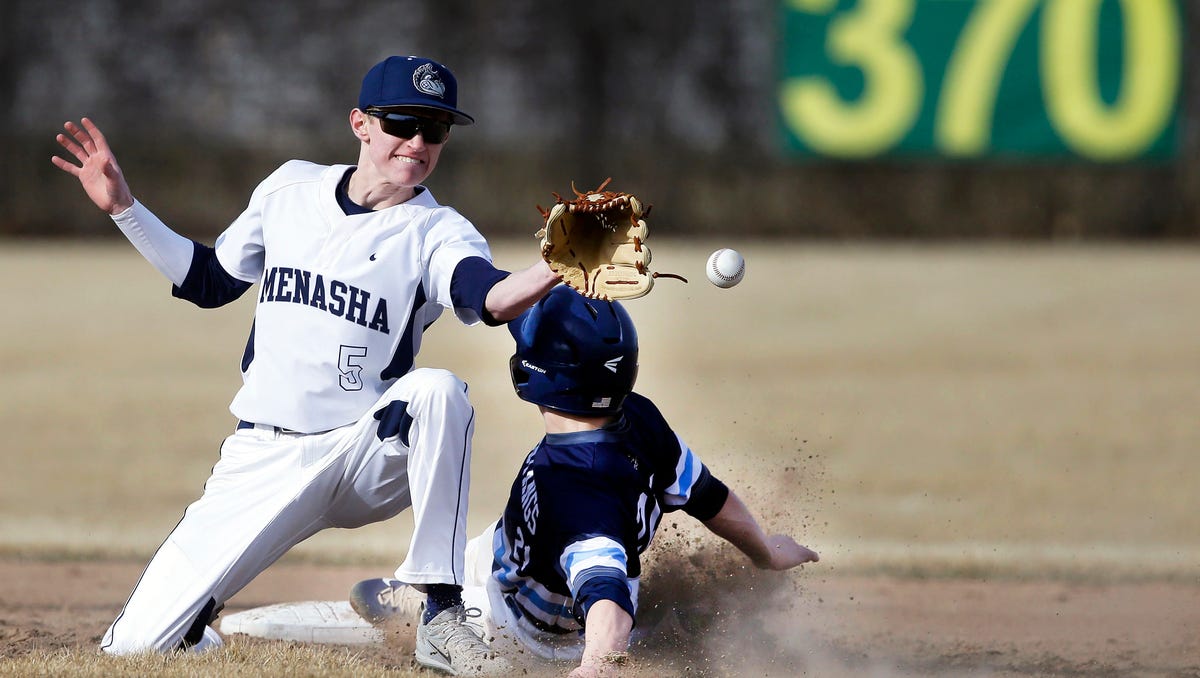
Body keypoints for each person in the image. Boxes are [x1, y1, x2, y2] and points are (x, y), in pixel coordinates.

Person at [51, 55, 559, 675]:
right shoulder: (289, 188)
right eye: (403, 121)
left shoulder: (438, 231)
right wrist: (125, 207)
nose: (418, 142)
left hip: (362, 452)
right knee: (135, 648)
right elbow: (210, 281)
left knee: (438, 391)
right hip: (262, 458)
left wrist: (555, 267)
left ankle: (441, 609)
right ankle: (194, 632)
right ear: (361, 123)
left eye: (437, 130)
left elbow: (492, 296)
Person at [348, 286, 820, 677]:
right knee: (467, 556)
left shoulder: (578, 492)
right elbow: (708, 496)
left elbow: (605, 587)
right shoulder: (639, 415)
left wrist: (597, 665)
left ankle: (433, 608)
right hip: (507, 546)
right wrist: (765, 550)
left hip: (522, 625)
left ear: (538, 375)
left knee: (372, 599)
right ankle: (665, 625)